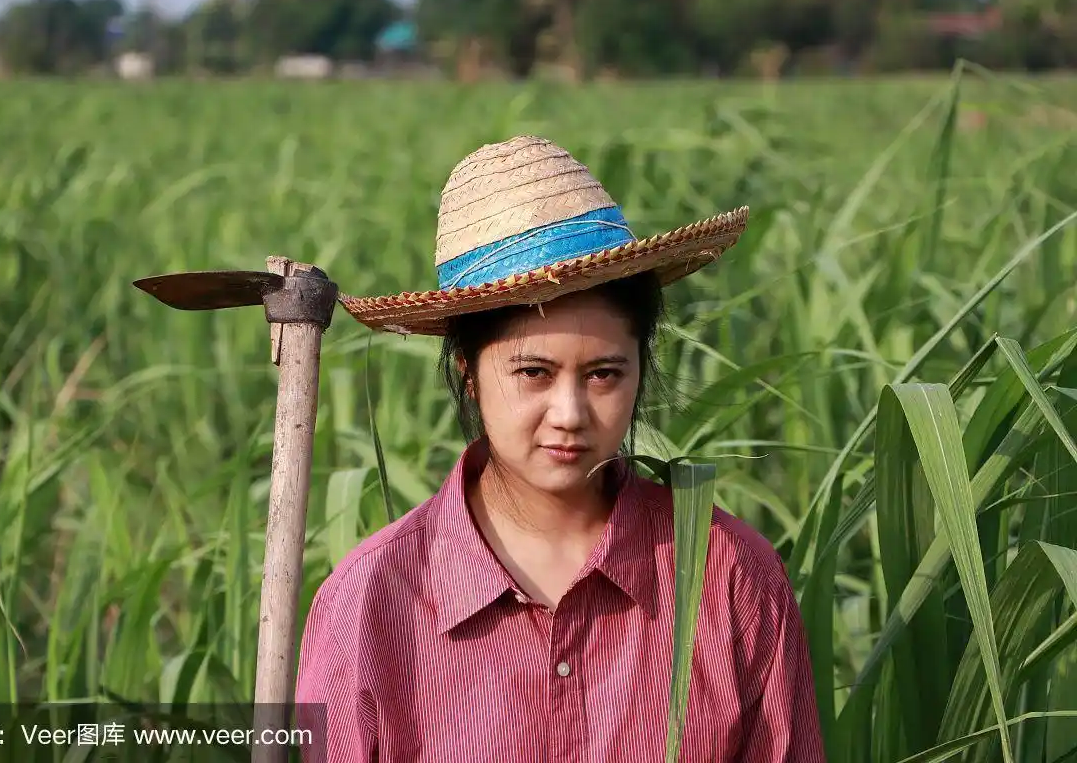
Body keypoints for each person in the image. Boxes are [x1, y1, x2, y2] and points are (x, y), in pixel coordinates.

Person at [294, 136, 826, 762]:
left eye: (603, 373)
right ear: (468, 370)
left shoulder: (729, 577)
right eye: (533, 373)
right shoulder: (373, 598)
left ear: (640, 366)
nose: (570, 415)